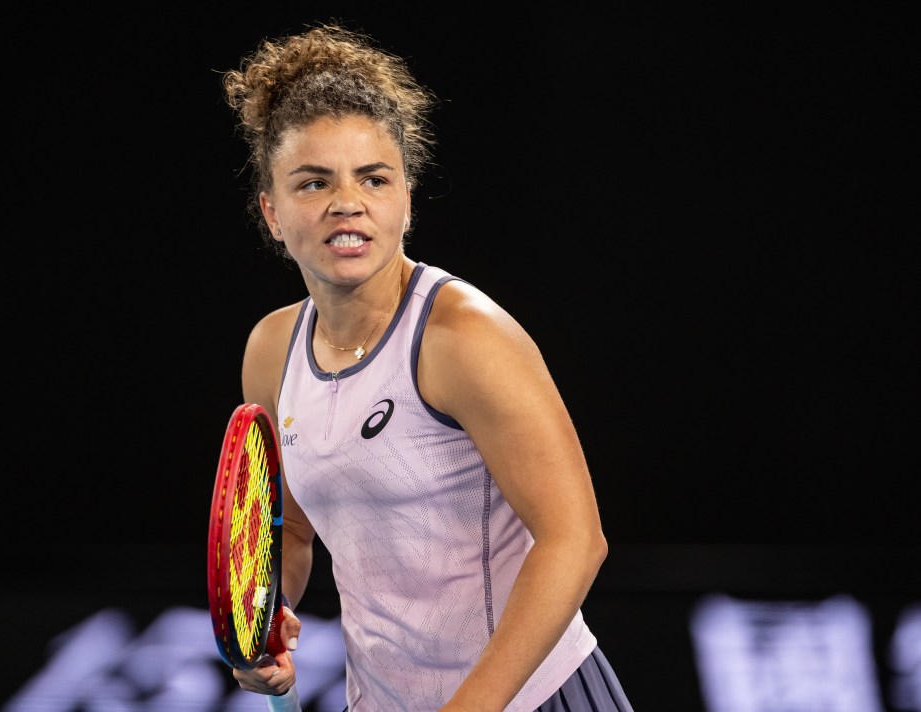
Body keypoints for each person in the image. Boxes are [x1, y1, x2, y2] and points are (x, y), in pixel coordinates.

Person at [219, 22, 634, 712]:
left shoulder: (464, 338)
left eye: (373, 178)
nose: (346, 202)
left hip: (535, 700)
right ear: (271, 211)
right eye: (313, 182)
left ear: (406, 198)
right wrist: (264, 624)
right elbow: (288, 535)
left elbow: (575, 540)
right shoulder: (271, 351)